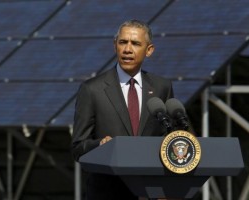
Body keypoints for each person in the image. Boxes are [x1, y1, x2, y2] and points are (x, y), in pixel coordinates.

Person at [71, 19, 174, 200]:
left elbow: (171, 138)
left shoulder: (161, 88)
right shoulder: (92, 89)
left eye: (135, 44)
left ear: (149, 50)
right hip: (108, 193)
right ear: (115, 46)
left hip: (151, 192)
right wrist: (100, 145)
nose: (127, 49)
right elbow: (78, 147)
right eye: (122, 42)